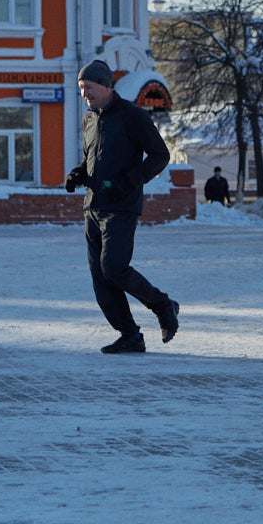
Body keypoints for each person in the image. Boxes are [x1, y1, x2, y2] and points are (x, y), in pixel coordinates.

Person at [65, 59, 180, 354]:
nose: (84, 94)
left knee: (114, 268)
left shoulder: (132, 116)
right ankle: (130, 335)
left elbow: (160, 155)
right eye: (81, 88)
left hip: (121, 205)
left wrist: (131, 181)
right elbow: (92, 157)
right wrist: (79, 173)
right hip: (93, 206)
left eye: (88, 87)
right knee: (101, 279)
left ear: (105, 85)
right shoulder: (89, 120)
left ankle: (163, 305)